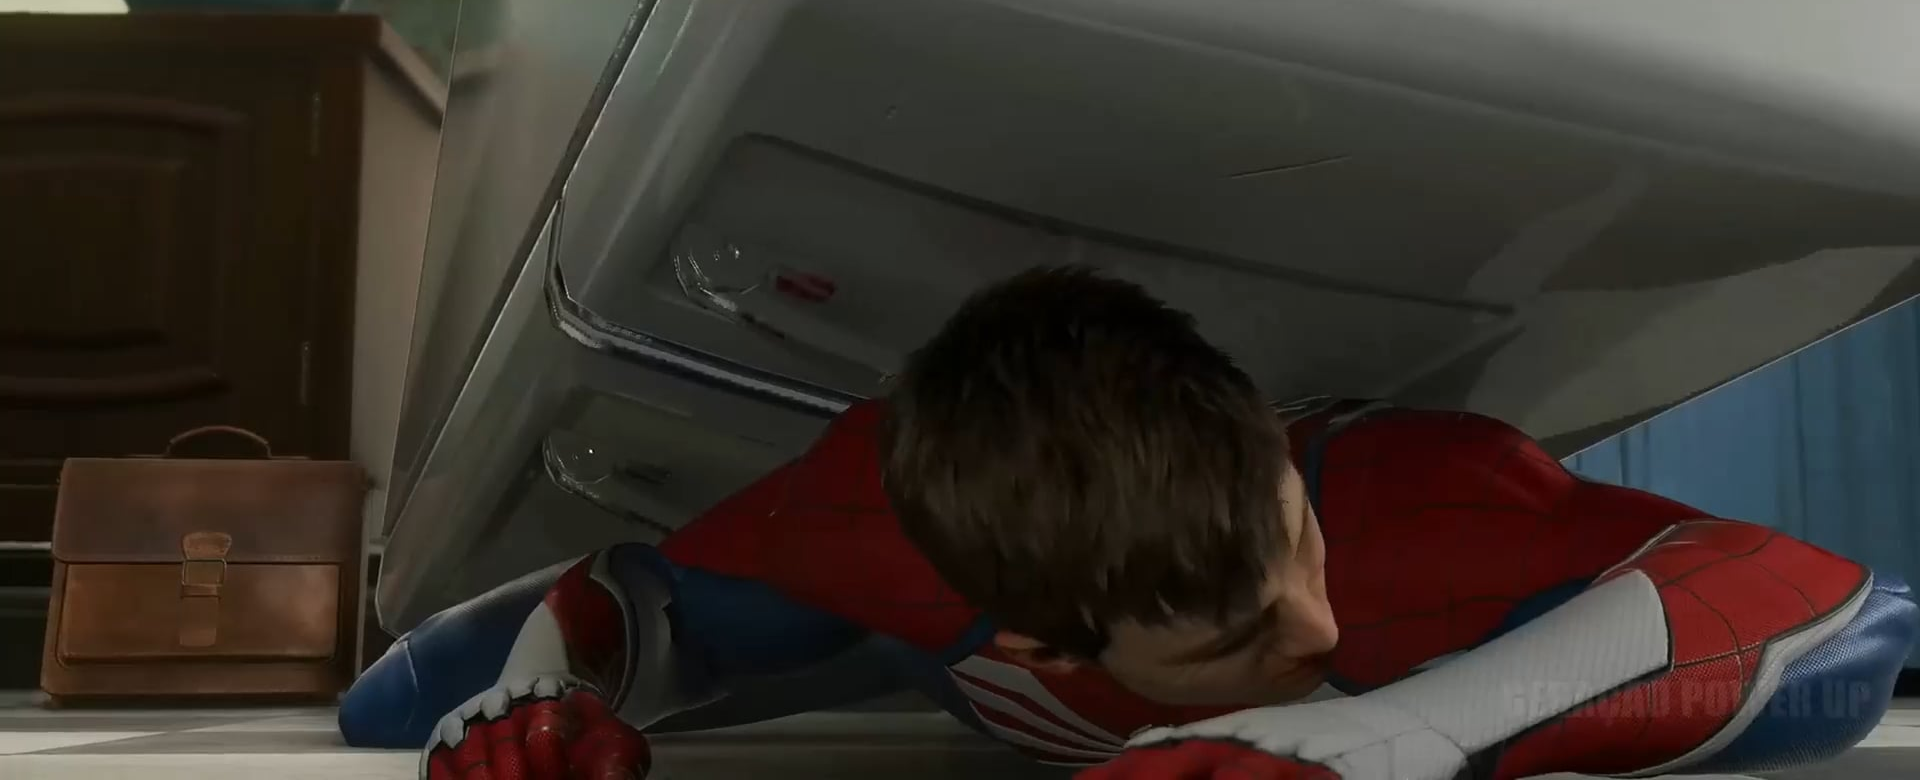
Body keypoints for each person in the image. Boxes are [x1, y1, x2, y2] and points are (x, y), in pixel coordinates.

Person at [340, 267, 1917, 779]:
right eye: (1233, 635)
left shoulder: (1408, 508)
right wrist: (540, 701)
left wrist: (1411, 732)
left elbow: (1851, 614)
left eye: (1292, 548)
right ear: (1043, 640)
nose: (1316, 626)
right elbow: (595, 615)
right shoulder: (882, 529)